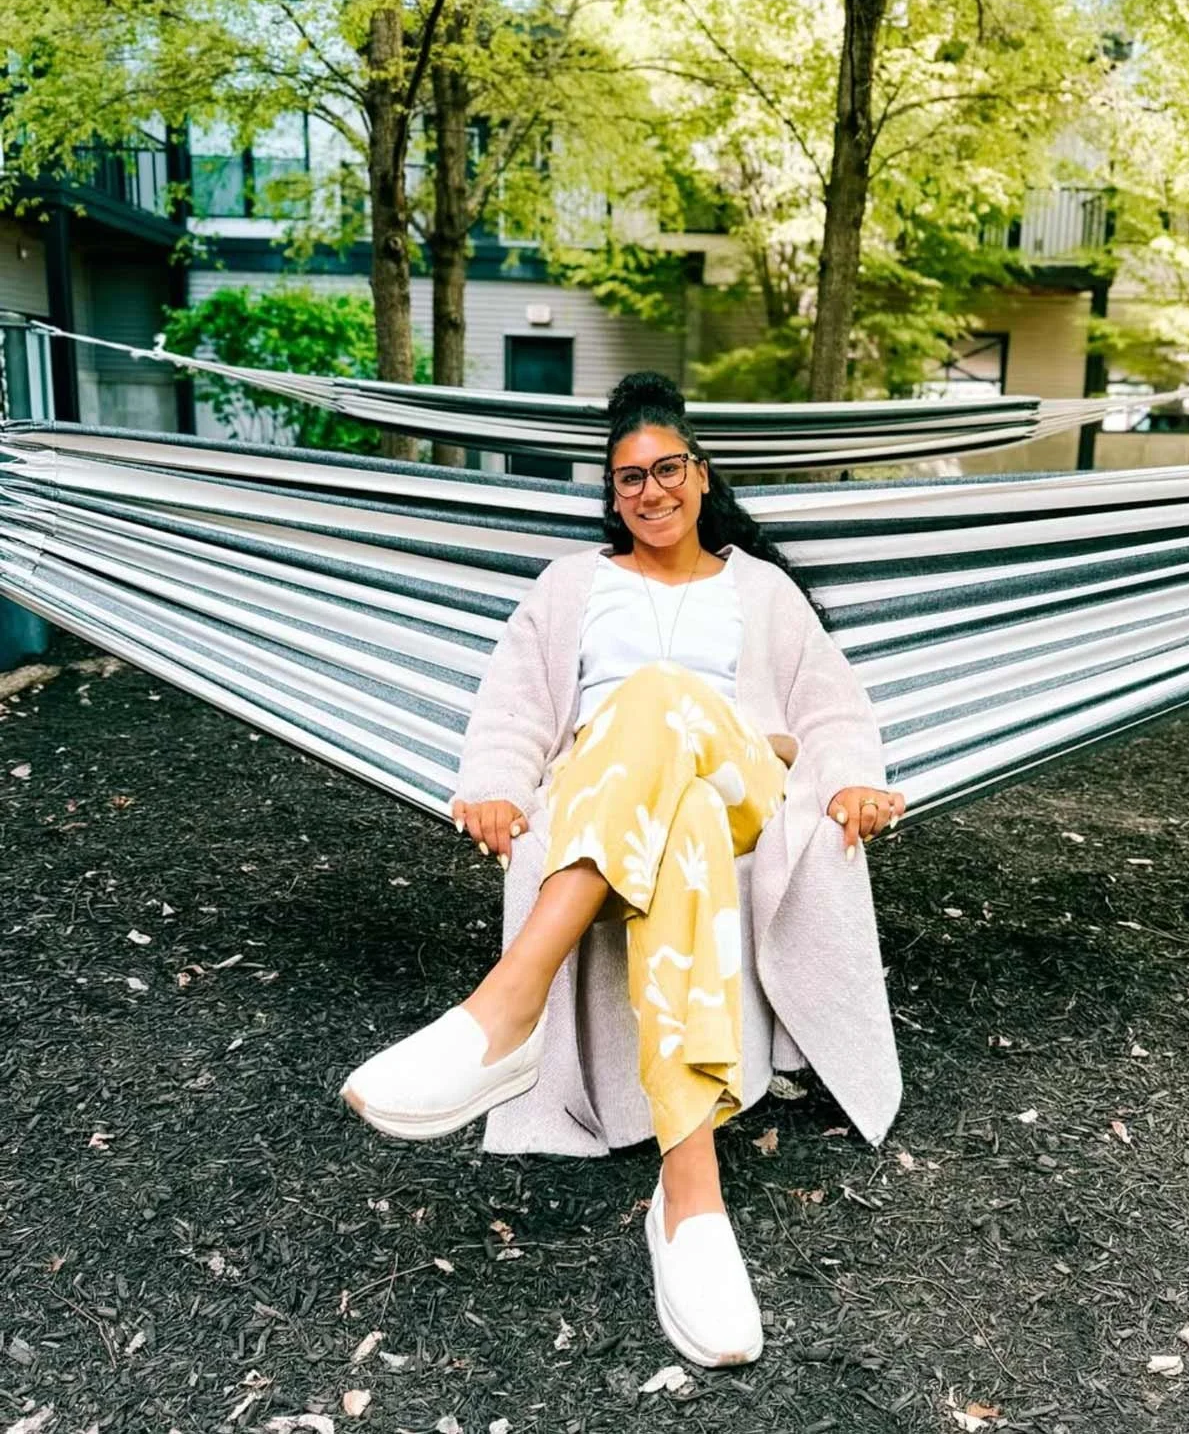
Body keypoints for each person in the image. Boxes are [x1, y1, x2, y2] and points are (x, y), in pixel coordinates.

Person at [341, 371, 906, 1368]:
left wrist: (854, 778)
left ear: (700, 474)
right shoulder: (570, 585)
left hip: (745, 781)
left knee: (655, 694)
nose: (650, 490)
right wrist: (494, 784)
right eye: (629, 477)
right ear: (612, 494)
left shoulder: (760, 590)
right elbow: (515, 705)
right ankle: (690, 1203)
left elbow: (829, 708)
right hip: (631, 804)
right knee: (676, 817)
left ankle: (507, 1007)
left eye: (666, 468)